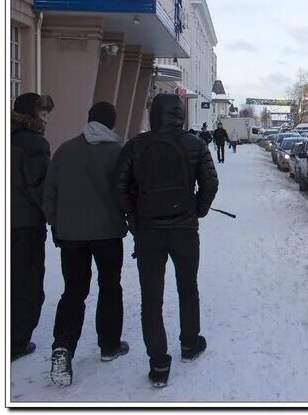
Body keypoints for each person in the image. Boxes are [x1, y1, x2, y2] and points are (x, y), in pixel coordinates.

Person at [114, 93, 219, 388]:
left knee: (151, 299)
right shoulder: (194, 144)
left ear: (154, 114)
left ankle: (159, 365)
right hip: (185, 230)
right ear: (179, 115)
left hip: (149, 233)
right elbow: (210, 182)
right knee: (188, 289)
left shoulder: (136, 146)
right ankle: (189, 344)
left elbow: (119, 186)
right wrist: (197, 209)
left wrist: (134, 217)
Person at [43, 102, 129, 386]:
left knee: (74, 291)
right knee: (109, 286)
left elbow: (50, 192)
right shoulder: (116, 151)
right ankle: (109, 344)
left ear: (89, 119)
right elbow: (126, 192)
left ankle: (63, 347)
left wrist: (56, 223)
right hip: (107, 233)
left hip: (70, 234)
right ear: (111, 123)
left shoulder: (65, 150)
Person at [10, 92, 55, 362]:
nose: (47, 119)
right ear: (33, 115)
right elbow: (40, 187)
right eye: (44, 114)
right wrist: (54, 216)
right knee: (26, 280)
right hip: (25, 224)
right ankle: (17, 341)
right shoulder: (34, 144)